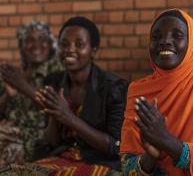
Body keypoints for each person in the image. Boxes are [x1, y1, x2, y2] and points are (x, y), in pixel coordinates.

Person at [120, 9, 193, 175]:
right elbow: (127, 169)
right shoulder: (138, 90)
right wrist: (151, 156)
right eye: (156, 36)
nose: (165, 41)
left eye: (177, 35)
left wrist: (166, 141)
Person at [31, 16, 128, 174]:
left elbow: (115, 146)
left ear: (93, 51)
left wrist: (68, 117)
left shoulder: (115, 88)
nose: (70, 49)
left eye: (79, 44)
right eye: (64, 44)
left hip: (99, 162)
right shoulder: (54, 82)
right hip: (61, 158)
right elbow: (51, 142)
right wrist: (55, 116)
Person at [0, 21, 62, 166]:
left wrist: (23, 86)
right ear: (22, 45)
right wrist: (8, 96)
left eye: (42, 39)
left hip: (36, 139)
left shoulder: (58, 72)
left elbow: (58, 110)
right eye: (30, 40)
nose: (36, 44)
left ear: (50, 44)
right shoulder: (16, 74)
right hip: (8, 132)